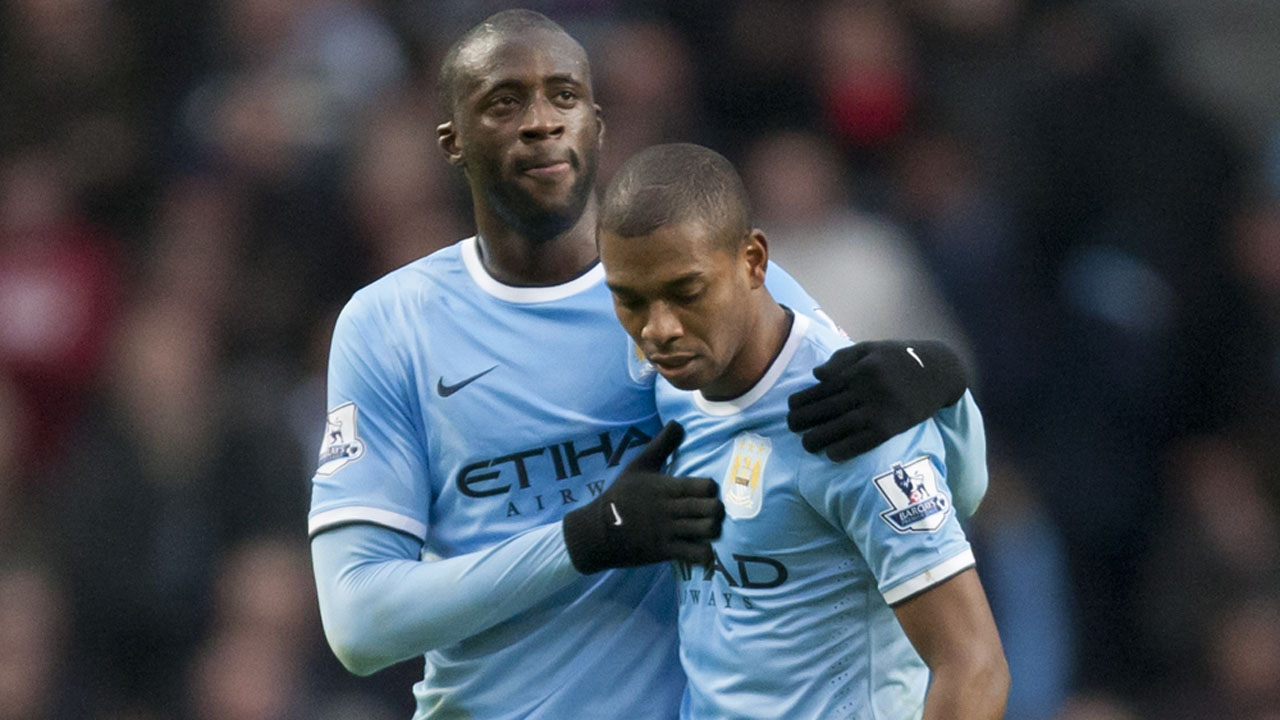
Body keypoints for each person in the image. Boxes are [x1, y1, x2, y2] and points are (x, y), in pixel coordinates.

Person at [309, 10, 973, 719]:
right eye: (505, 103)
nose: (541, 122)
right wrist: (583, 539)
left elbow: (924, 500)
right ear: (452, 140)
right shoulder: (389, 325)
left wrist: (944, 393)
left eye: (563, 96)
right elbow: (359, 624)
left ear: (598, 123)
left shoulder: (709, 279)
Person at [596, 142, 1008, 719]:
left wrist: (951, 391)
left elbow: (974, 667)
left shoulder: (851, 420)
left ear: (754, 262)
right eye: (630, 300)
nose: (657, 329)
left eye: (687, 293)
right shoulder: (670, 381)